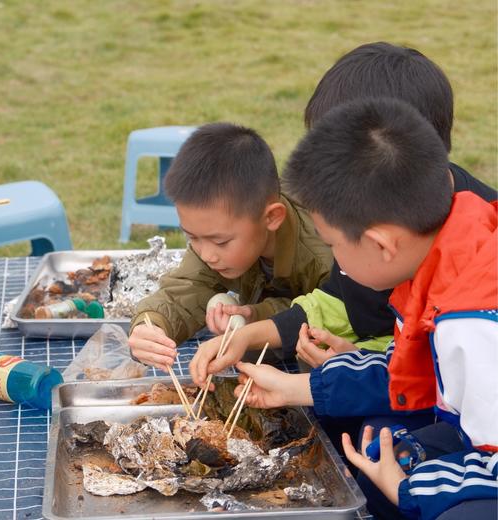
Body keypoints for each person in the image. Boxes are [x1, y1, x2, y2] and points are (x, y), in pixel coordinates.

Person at [208, 98, 497, 520]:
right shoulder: (452, 246)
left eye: (333, 245)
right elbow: (409, 372)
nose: (335, 262)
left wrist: (409, 488)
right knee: (381, 453)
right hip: (471, 433)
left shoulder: (471, 321)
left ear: (381, 244)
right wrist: (294, 388)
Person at [202, 42, 496, 370]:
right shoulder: (370, 218)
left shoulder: (474, 269)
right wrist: (252, 334)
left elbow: (434, 375)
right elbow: (339, 301)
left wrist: (356, 367)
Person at [129, 122, 333, 371]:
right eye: (192, 237)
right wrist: (150, 325)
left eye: (220, 242)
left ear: (271, 217)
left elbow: (330, 315)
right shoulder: (219, 230)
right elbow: (186, 290)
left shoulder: (325, 251)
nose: (206, 254)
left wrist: (260, 315)